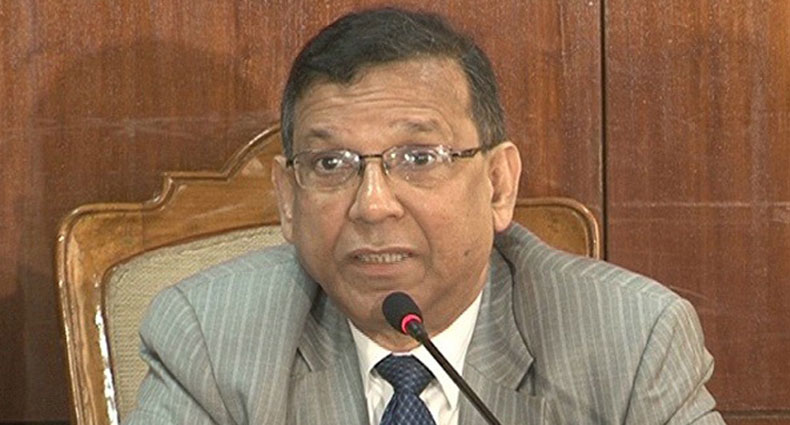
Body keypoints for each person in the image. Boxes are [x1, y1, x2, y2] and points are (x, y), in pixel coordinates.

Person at [124, 7, 724, 425]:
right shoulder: (210, 339)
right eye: (331, 163)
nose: (372, 204)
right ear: (287, 198)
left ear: (497, 185)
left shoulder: (630, 341)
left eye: (418, 157)